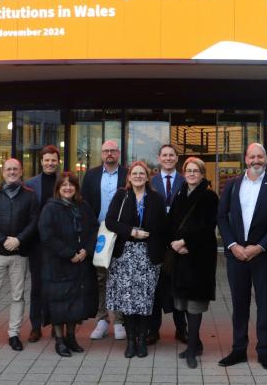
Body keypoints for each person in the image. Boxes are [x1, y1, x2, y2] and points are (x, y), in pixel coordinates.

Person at [217, 143, 267, 371]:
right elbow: (221, 217)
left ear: (266, 159)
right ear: (245, 159)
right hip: (236, 254)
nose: (256, 160)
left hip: (264, 256)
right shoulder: (232, 184)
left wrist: (259, 247)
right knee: (239, 303)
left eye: (260, 156)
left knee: (264, 303)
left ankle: (264, 351)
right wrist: (232, 244)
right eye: (252, 156)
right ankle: (238, 349)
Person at [104, 161, 166, 359]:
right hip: (125, 255)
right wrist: (131, 231)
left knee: (145, 301)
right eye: (134, 173)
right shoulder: (121, 195)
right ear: (129, 177)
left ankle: (142, 340)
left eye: (142, 174)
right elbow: (110, 221)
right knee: (128, 301)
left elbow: (163, 226)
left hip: (148, 256)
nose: (138, 176)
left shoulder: (156, 198)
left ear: (148, 178)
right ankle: (130, 342)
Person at [0, 158, 39, 352]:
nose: (12, 172)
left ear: (21, 172)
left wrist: (19, 239)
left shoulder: (30, 196)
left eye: (15, 169)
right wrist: (4, 239)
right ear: (3, 173)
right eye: (8, 169)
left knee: (17, 296)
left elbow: (34, 221)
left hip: (19, 254)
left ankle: (14, 334)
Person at [38, 172, 99, 357]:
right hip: (58, 264)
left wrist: (85, 251)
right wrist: (69, 253)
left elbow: (93, 229)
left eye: (71, 184)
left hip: (80, 263)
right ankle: (59, 340)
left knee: (75, 303)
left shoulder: (83, 205)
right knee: (59, 304)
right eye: (63, 185)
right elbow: (46, 235)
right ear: (58, 188)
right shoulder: (50, 208)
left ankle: (71, 338)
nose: (67, 188)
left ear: (76, 187)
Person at [168, 157, 218, 368]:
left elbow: (208, 228)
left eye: (195, 171)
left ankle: (191, 348)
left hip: (199, 257)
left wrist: (186, 242)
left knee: (195, 303)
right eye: (188, 170)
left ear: (202, 173)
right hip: (180, 256)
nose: (191, 174)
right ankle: (195, 343)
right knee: (184, 302)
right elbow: (171, 222)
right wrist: (173, 243)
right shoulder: (180, 194)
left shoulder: (209, 196)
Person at [80, 140, 128, 340]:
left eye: (113, 151)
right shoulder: (91, 175)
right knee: (100, 278)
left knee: (119, 277)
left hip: (121, 233)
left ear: (118, 153)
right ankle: (101, 319)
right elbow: (84, 203)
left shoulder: (127, 175)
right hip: (99, 232)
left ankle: (119, 321)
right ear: (101, 154)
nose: (109, 154)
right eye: (106, 151)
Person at [148, 144, 187, 345]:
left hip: (179, 242)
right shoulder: (151, 181)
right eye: (165, 155)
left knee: (179, 286)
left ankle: (182, 330)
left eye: (172, 155)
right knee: (155, 287)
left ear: (177, 158)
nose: (168, 158)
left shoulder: (185, 180)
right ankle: (153, 330)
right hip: (156, 241)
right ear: (159, 157)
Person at [24, 144, 61, 342]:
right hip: (37, 243)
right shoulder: (30, 184)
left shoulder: (64, 181)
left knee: (56, 285)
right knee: (37, 285)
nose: (50, 163)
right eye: (46, 160)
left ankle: (56, 325)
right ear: (41, 162)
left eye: (53, 160)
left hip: (58, 243)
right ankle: (36, 326)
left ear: (58, 161)